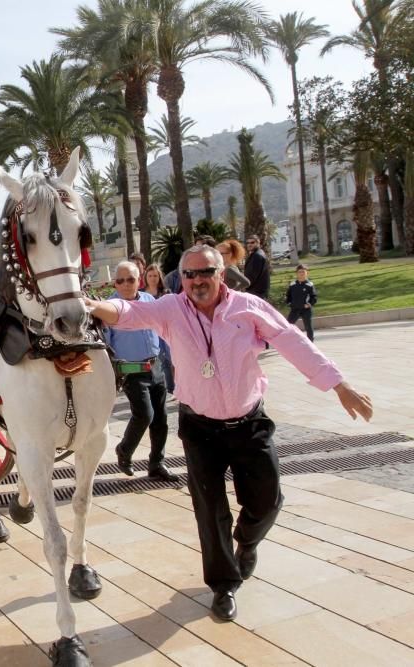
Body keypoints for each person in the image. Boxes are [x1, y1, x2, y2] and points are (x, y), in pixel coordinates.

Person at [84, 244, 373, 623]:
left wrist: (338, 384)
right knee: (210, 510)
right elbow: (128, 311)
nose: (197, 280)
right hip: (199, 426)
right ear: (181, 279)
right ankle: (223, 586)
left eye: (205, 272)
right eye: (189, 274)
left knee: (267, 501)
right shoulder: (170, 309)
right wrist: (91, 307)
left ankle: (247, 542)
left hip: (249, 422)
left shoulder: (247, 307)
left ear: (221, 273)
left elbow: (291, 340)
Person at [105, 262, 179, 482]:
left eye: (131, 279)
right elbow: (106, 345)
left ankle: (157, 464)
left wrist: (174, 361)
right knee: (145, 414)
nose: (126, 285)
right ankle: (125, 451)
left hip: (155, 366)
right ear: (115, 282)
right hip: (131, 371)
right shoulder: (110, 307)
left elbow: (163, 333)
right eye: (120, 280)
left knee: (161, 418)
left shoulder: (149, 301)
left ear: (140, 280)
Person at [141, 263, 174, 393]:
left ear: (159, 277)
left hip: (166, 329)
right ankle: (167, 388)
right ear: (146, 277)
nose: (153, 278)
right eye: (150, 275)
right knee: (160, 361)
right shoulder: (141, 294)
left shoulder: (165, 292)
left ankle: (175, 387)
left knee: (172, 359)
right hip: (151, 332)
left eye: (155, 275)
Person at [285, 264, 318, 342]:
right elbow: (288, 295)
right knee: (288, 326)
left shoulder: (309, 285)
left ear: (307, 273)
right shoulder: (292, 284)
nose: (301, 274)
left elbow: (314, 297)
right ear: (297, 273)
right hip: (295, 309)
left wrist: (309, 304)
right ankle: (287, 342)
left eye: (303, 272)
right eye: (300, 272)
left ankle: (310, 343)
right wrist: (289, 303)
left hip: (306, 309)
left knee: (308, 327)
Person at [244, 234, 271, 300]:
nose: (249, 244)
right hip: (257, 292)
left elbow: (252, 276)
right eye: (248, 243)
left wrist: (244, 286)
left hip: (257, 293)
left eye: (252, 242)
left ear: (258, 243)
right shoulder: (256, 254)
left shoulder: (257, 256)